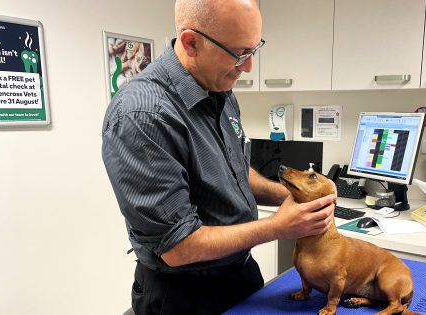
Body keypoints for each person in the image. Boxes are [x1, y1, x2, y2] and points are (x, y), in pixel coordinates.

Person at [101, 0, 336, 314]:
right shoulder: (142, 116)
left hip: (240, 276)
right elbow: (178, 246)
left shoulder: (219, 88)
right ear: (191, 43)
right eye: (239, 53)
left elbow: (236, 168)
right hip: (184, 295)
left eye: (253, 50)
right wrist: (278, 227)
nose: (248, 66)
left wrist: (289, 194)